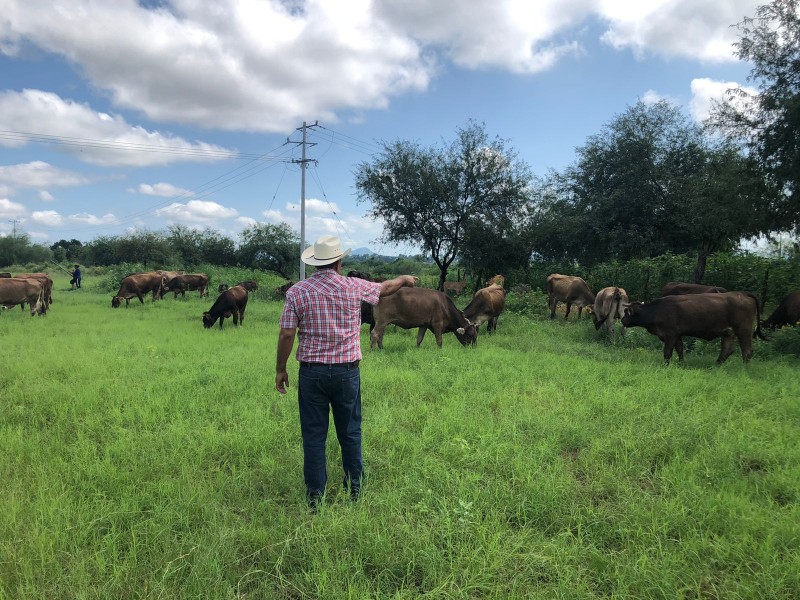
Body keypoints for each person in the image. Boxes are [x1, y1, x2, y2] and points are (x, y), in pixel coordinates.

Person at [276, 235, 417, 510]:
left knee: (314, 435)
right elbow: (385, 287)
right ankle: (355, 490)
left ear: (316, 262)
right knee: (350, 432)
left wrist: (281, 369)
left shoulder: (297, 291)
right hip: (346, 373)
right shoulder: (354, 287)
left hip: (311, 373)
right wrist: (404, 279)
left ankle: (315, 497)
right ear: (339, 261)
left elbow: (286, 334)